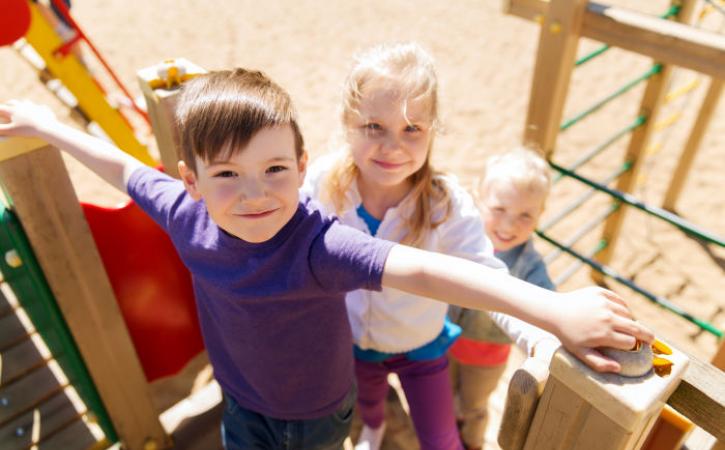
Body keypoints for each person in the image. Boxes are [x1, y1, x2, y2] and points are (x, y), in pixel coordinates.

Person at [0, 69, 651, 450]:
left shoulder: (317, 244)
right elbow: (119, 168)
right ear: (190, 181)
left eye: (275, 169)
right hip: (241, 402)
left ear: (302, 167)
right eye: (227, 174)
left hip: (317, 412)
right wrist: (44, 123)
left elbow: (425, 270)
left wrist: (551, 310)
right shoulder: (184, 215)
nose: (255, 194)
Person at [301, 42, 625, 450]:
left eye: (411, 129)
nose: (392, 146)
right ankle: (374, 430)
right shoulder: (321, 183)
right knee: (369, 401)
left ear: (432, 129)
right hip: (350, 340)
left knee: (441, 438)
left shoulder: (444, 204)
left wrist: (541, 336)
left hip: (418, 346)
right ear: (348, 121)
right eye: (373, 127)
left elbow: (486, 274)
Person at [448, 147, 555, 450]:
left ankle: (471, 442)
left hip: (486, 357)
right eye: (499, 210)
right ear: (478, 199)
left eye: (525, 215)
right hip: (442, 340)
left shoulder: (529, 264)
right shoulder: (463, 238)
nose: (509, 226)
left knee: (473, 406)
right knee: (442, 397)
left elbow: (548, 301)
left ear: (539, 215)